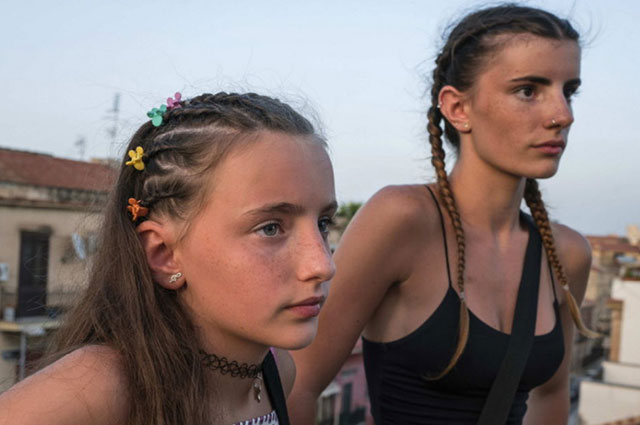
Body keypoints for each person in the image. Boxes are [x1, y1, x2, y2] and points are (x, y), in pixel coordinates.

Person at [289, 5, 597, 425]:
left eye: (569, 90)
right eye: (528, 90)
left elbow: (551, 395)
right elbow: (297, 387)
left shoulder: (567, 252)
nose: (563, 115)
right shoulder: (402, 220)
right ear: (457, 108)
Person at [0, 92, 337, 425]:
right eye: (270, 228)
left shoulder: (277, 373)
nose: (323, 265)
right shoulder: (100, 388)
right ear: (164, 254)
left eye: (323, 223)